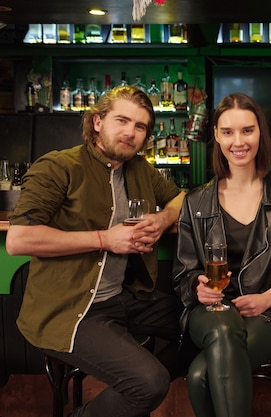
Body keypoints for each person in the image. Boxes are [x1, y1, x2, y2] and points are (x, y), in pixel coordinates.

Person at [6, 85, 185, 417]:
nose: (130, 132)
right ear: (98, 121)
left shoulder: (140, 169)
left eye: (141, 126)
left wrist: (162, 220)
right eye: (122, 120)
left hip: (124, 297)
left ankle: (128, 395)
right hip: (70, 308)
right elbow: (19, 240)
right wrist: (106, 240)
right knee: (150, 383)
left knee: (199, 326)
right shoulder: (59, 166)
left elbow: (181, 198)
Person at [172, 92, 271, 417]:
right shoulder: (196, 202)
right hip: (212, 313)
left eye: (247, 130)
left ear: (260, 133)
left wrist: (268, 297)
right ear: (217, 137)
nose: (238, 141)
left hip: (270, 313)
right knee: (223, 328)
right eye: (228, 132)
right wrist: (199, 286)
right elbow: (182, 275)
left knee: (199, 376)